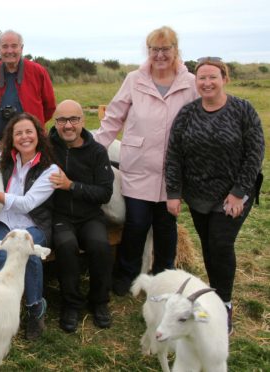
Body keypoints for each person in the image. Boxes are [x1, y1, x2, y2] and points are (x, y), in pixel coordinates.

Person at [93, 26, 198, 295]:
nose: (160, 55)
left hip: (172, 169)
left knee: (166, 226)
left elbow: (201, 122)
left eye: (166, 49)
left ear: (176, 50)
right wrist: (93, 150)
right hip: (138, 165)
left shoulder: (189, 83)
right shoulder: (134, 79)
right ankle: (126, 275)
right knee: (136, 223)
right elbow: (114, 116)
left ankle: (164, 278)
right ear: (148, 52)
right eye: (155, 50)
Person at [165, 58, 264, 334]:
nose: (207, 83)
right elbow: (174, 155)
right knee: (209, 246)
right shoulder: (187, 114)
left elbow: (255, 154)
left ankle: (225, 305)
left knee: (221, 244)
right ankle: (213, 295)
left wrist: (238, 193)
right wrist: (174, 192)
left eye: (213, 77)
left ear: (225, 79)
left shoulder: (243, 110)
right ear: (195, 82)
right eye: (201, 78)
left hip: (232, 195)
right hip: (198, 195)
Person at [0, 112, 58, 340]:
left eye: (29, 131)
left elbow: (27, 204)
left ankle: (35, 309)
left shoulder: (50, 170)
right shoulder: (1, 162)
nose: (24, 137)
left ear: (38, 135)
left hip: (34, 224)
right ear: (12, 138)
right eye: (18, 133)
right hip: (3, 222)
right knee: (1, 256)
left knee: (27, 254)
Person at [48, 100, 114, 333]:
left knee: (99, 246)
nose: (68, 125)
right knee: (66, 246)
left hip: (90, 215)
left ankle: (99, 301)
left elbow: (105, 193)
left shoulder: (96, 152)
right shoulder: (47, 147)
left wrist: (71, 186)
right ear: (55, 123)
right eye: (62, 120)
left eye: (73, 119)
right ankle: (71, 304)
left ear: (83, 122)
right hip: (60, 215)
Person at [0, 30, 56, 143]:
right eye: (5, 46)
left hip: (31, 144)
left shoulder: (38, 72)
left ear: (21, 48)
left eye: (14, 46)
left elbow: (49, 107)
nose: (9, 51)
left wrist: (34, 125)